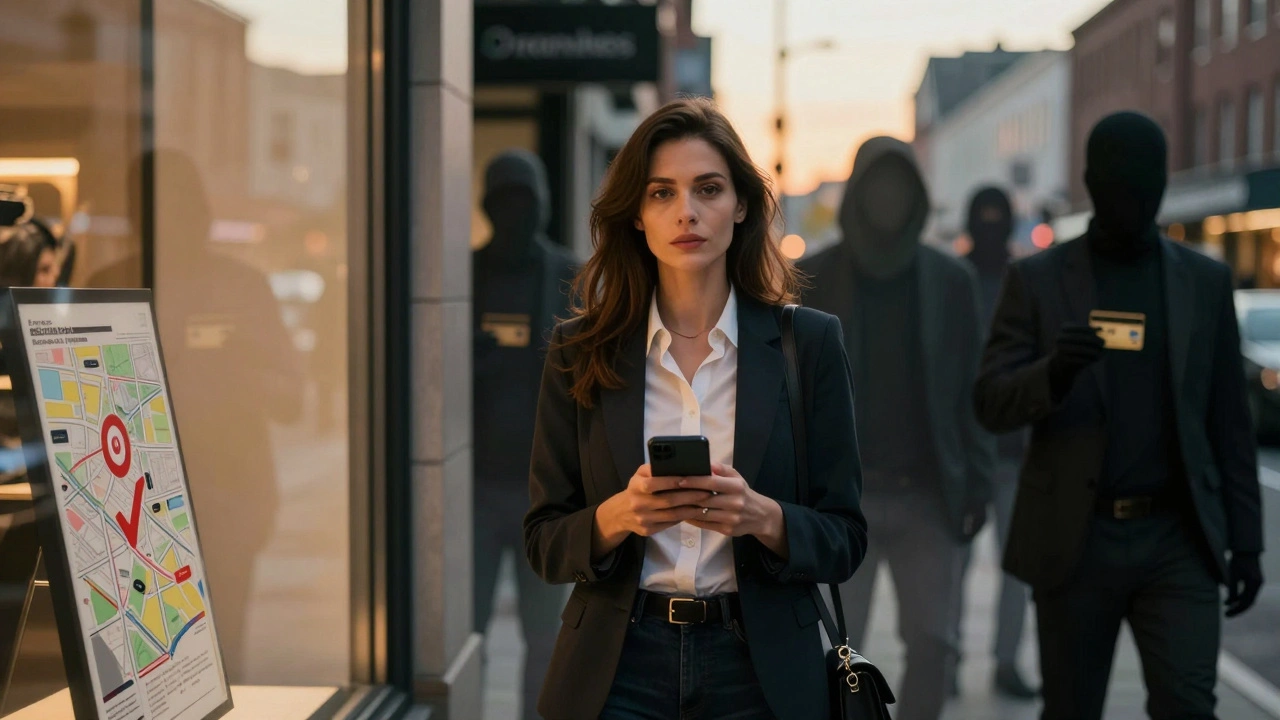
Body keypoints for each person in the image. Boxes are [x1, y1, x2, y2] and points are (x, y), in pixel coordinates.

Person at [523, 97, 867, 720]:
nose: (686, 212)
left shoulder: (808, 343)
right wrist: (618, 515)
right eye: (661, 193)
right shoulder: (581, 349)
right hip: (619, 667)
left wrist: (764, 517)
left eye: (708, 189)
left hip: (758, 671)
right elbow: (544, 540)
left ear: (740, 205)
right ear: (636, 214)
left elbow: (845, 538)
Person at [974, 111, 1265, 720]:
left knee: (1188, 705)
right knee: (1072, 709)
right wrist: (1052, 372)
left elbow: (1229, 424)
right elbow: (991, 401)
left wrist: (1247, 544)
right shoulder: (1039, 279)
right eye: (1117, 183)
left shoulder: (1203, 282)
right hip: (1077, 539)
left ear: (1161, 183)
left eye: (1142, 183)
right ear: (1091, 182)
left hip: (1177, 537)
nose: (1131, 197)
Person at [798, 137, 994, 720]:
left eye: (900, 188)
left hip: (926, 496)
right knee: (837, 653)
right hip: (839, 507)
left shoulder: (949, 281)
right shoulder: (812, 277)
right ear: (856, 195)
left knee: (935, 643)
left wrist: (977, 485)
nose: (888, 200)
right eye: (877, 188)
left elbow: (971, 392)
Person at [471, 149, 577, 720]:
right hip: (478, 489)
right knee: (469, 635)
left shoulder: (570, 275)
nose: (515, 212)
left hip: (546, 493)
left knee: (546, 637)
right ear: (488, 205)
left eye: (525, 199)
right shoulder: (464, 275)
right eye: (504, 200)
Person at [956, 186, 1038, 699]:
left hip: (1011, 450)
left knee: (1015, 568)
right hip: (966, 454)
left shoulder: (1025, 281)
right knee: (955, 567)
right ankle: (952, 659)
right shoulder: (954, 279)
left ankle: (1004, 661)